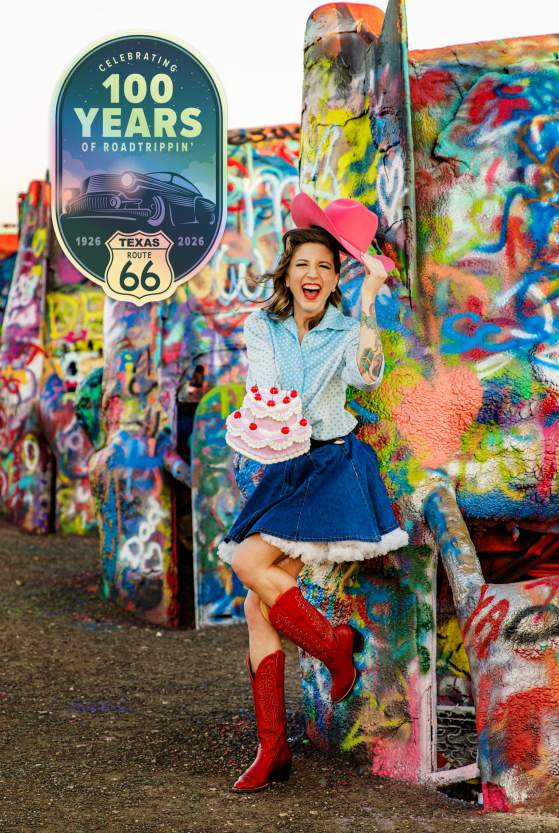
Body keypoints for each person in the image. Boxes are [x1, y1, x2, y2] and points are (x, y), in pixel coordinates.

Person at [217, 193, 409, 793]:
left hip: (328, 468)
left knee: (249, 566)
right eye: (305, 264)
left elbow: (369, 373)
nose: (314, 274)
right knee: (257, 604)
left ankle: (331, 650)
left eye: (326, 267)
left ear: (335, 279)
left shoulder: (349, 330)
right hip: (280, 470)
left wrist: (372, 298)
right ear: (289, 271)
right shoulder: (261, 325)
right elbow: (272, 394)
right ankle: (274, 747)